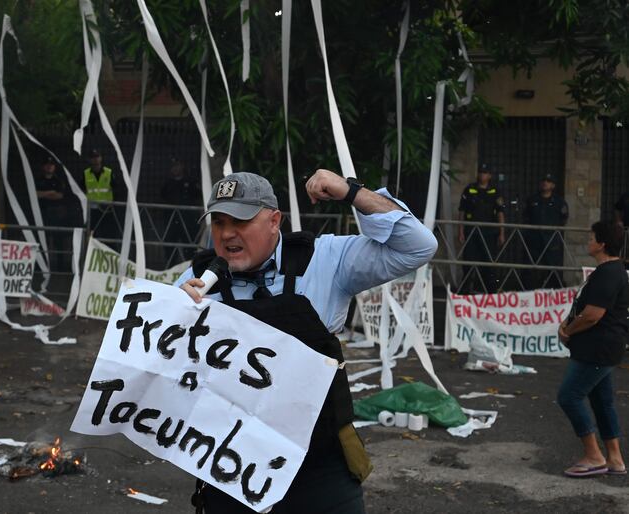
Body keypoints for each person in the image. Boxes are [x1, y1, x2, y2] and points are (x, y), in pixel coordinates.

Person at [175, 170, 438, 513]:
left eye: (240, 221)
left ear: (274, 221)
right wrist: (176, 317)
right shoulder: (195, 282)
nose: (227, 234)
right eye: (219, 222)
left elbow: (418, 246)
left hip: (320, 465)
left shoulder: (325, 259)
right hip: (231, 467)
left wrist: (351, 192)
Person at [557, 221, 629, 478]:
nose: (588, 242)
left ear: (601, 244)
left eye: (591, 238)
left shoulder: (609, 272)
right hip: (601, 348)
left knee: (569, 396)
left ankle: (593, 456)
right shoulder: (609, 271)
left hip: (597, 349)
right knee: (602, 401)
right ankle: (614, 458)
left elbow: (592, 315)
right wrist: (568, 323)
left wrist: (569, 330)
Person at [458, 163, 505, 293]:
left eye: (485, 173)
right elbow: (461, 211)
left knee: (489, 263)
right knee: (469, 261)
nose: (482, 175)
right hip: (471, 232)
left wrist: (502, 233)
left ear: (489, 176)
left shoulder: (495, 191)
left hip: (489, 233)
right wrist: (461, 231)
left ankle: (490, 292)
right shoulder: (470, 189)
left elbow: (500, 213)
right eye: (480, 172)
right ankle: (466, 291)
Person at [523, 173, 569, 289]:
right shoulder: (533, 200)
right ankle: (529, 292)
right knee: (530, 269)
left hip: (551, 241)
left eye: (548, 181)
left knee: (553, 269)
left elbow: (563, 218)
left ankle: (554, 293)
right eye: (544, 181)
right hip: (534, 240)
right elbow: (526, 217)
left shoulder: (559, 202)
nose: (545, 183)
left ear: (553, 185)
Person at [161, 160, 201, 266]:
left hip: (188, 220)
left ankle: (190, 268)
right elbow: (163, 197)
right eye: (173, 166)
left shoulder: (191, 182)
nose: (175, 169)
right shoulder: (168, 183)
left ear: (182, 166)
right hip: (172, 220)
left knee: (189, 246)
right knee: (169, 245)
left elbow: (197, 196)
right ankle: (169, 269)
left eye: (177, 165)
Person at [36, 156, 67, 271]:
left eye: (51, 165)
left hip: (56, 214)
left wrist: (44, 194)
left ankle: (60, 267)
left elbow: (60, 195)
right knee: (43, 240)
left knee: (58, 241)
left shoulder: (58, 180)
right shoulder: (38, 180)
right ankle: (42, 266)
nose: (49, 167)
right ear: (43, 166)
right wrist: (50, 192)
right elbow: (35, 194)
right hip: (42, 214)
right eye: (47, 164)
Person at [83, 149, 117, 239]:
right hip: (92, 210)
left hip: (106, 210)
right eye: (93, 157)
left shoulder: (109, 172)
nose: (95, 159)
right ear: (89, 160)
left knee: (108, 234)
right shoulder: (85, 174)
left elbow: (117, 189)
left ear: (101, 158)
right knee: (92, 235)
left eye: (97, 156)